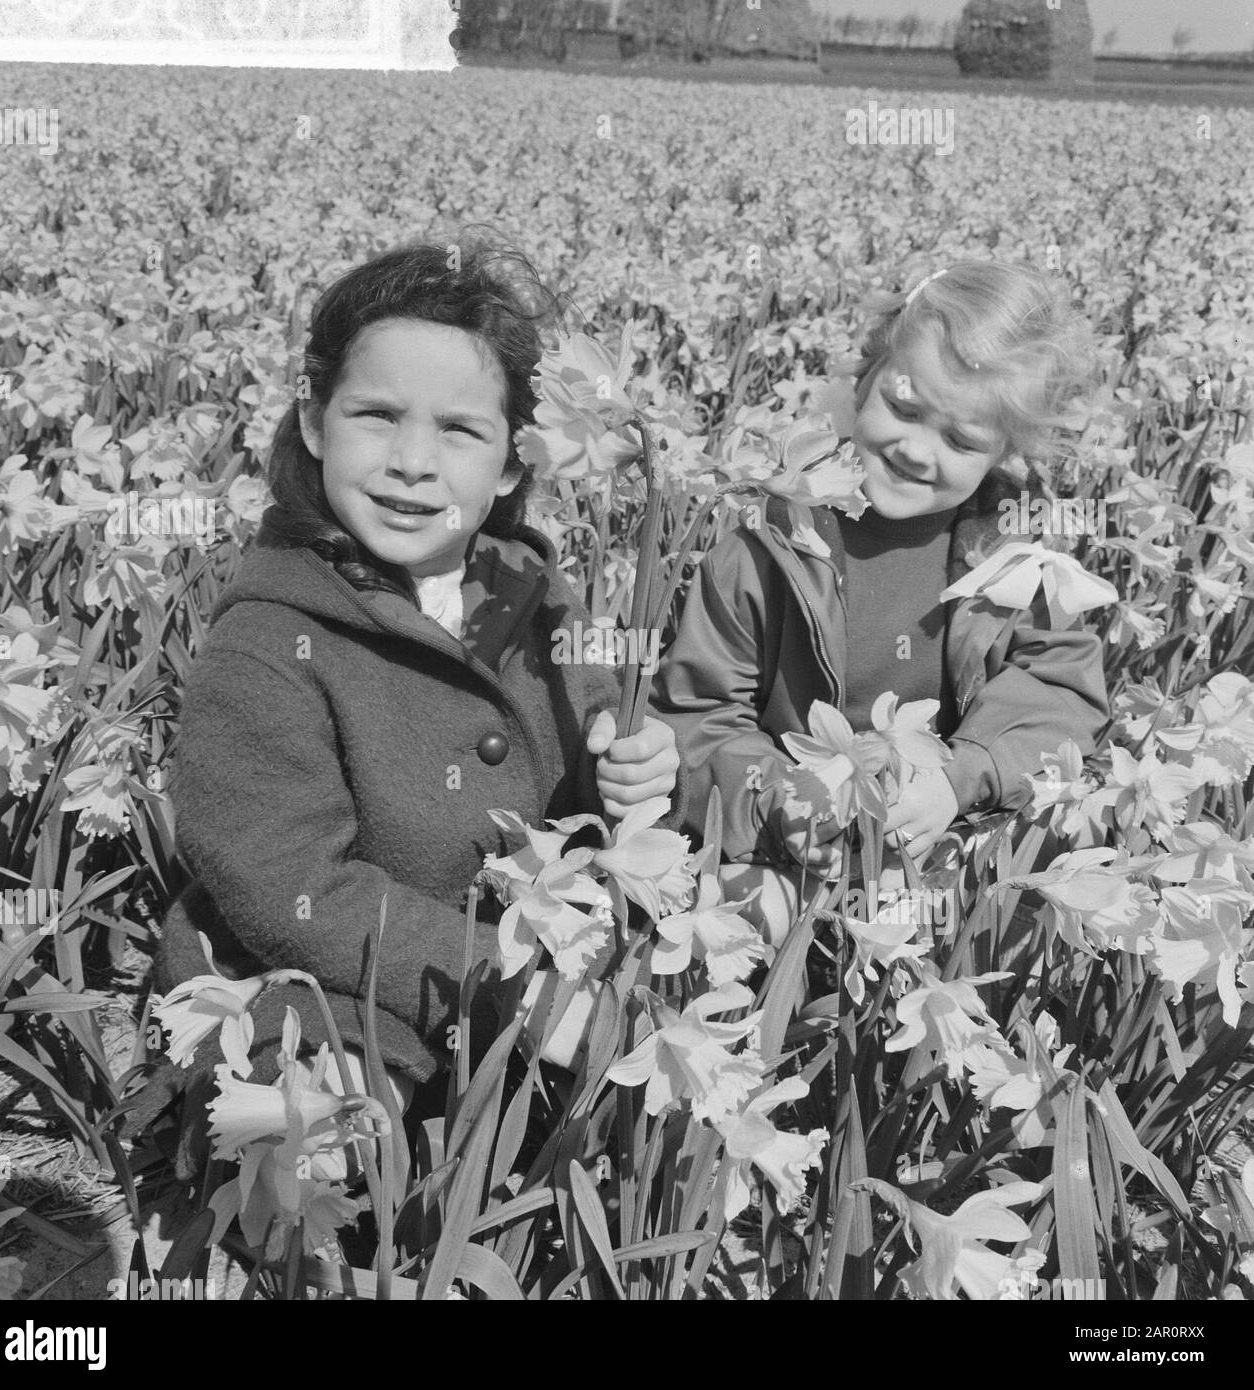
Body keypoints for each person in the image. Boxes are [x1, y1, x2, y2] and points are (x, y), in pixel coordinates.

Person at [146, 233, 682, 1158]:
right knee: (337, 1137)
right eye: (376, 415)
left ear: (513, 464)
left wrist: (631, 769)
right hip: (334, 978)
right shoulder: (268, 641)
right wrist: (518, 986)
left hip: (524, 953)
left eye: (460, 430)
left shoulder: (531, 593)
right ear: (313, 423)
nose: (411, 461)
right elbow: (291, 891)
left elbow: (586, 754)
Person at [650, 260, 1110, 939]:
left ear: (1003, 454)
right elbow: (694, 721)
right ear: (863, 376)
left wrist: (957, 779)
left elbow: (1061, 704)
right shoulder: (763, 549)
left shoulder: (1018, 564)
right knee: (730, 917)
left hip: (945, 838)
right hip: (787, 847)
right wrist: (786, 799)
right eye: (901, 406)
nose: (916, 450)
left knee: (1028, 921)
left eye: (960, 441)